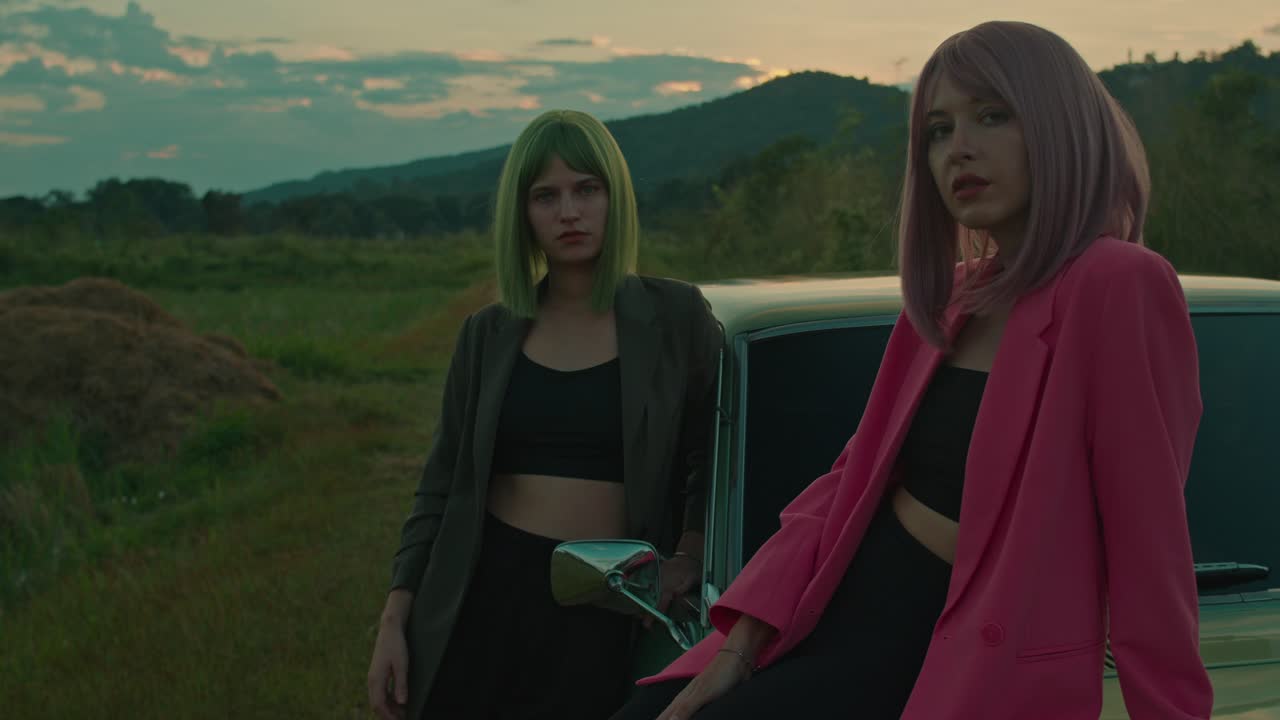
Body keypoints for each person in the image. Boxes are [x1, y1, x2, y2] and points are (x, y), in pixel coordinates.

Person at [610, 20, 1212, 720]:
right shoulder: (954, 295)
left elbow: (1149, 545)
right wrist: (740, 644)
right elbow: (847, 483)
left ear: (1061, 124)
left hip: (943, 651)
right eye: (937, 130)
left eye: (993, 115)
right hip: (829, 604)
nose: (960, 149)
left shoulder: (1119, 282)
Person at [366, 109, 722, 720]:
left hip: (608, 601)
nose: (569, 212)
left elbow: (711, 457)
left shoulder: (675, 316)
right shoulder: (488, 334)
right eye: (545, 196)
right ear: (522, 213)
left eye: (587, 189)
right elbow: (441, 484)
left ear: (614, 197)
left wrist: (687, 557)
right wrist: (394, 619)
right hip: (485, 596)